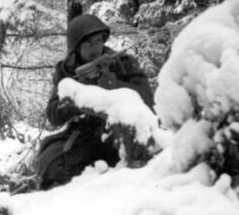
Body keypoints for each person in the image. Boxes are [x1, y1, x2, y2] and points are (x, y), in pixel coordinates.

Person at [38, 13, 154, 190]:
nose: (95, 48)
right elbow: (53, 115)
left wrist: (114, 84)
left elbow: (146, 98)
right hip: (84, 135)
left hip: (120, 132)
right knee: (51, 163)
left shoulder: (123, 62)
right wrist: (76, 98)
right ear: (76, 47)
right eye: (88, 43)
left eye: (99, 41)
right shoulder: (67, 70)